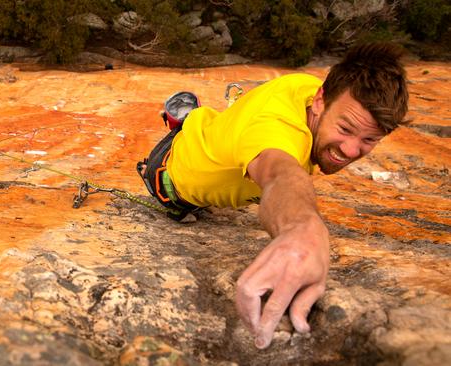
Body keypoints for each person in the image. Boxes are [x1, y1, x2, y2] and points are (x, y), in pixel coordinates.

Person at [137, 42, 409, 349]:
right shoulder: (275, 129)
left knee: (225, 125)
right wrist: (302, 228)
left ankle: (205, 115)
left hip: (221, 131)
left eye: (369, 139)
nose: (350, 150)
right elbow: (280, 172)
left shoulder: (312, 90)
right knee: (199, 134)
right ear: (320, 100)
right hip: (168, 173)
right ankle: (183, 119)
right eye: (345, 128)